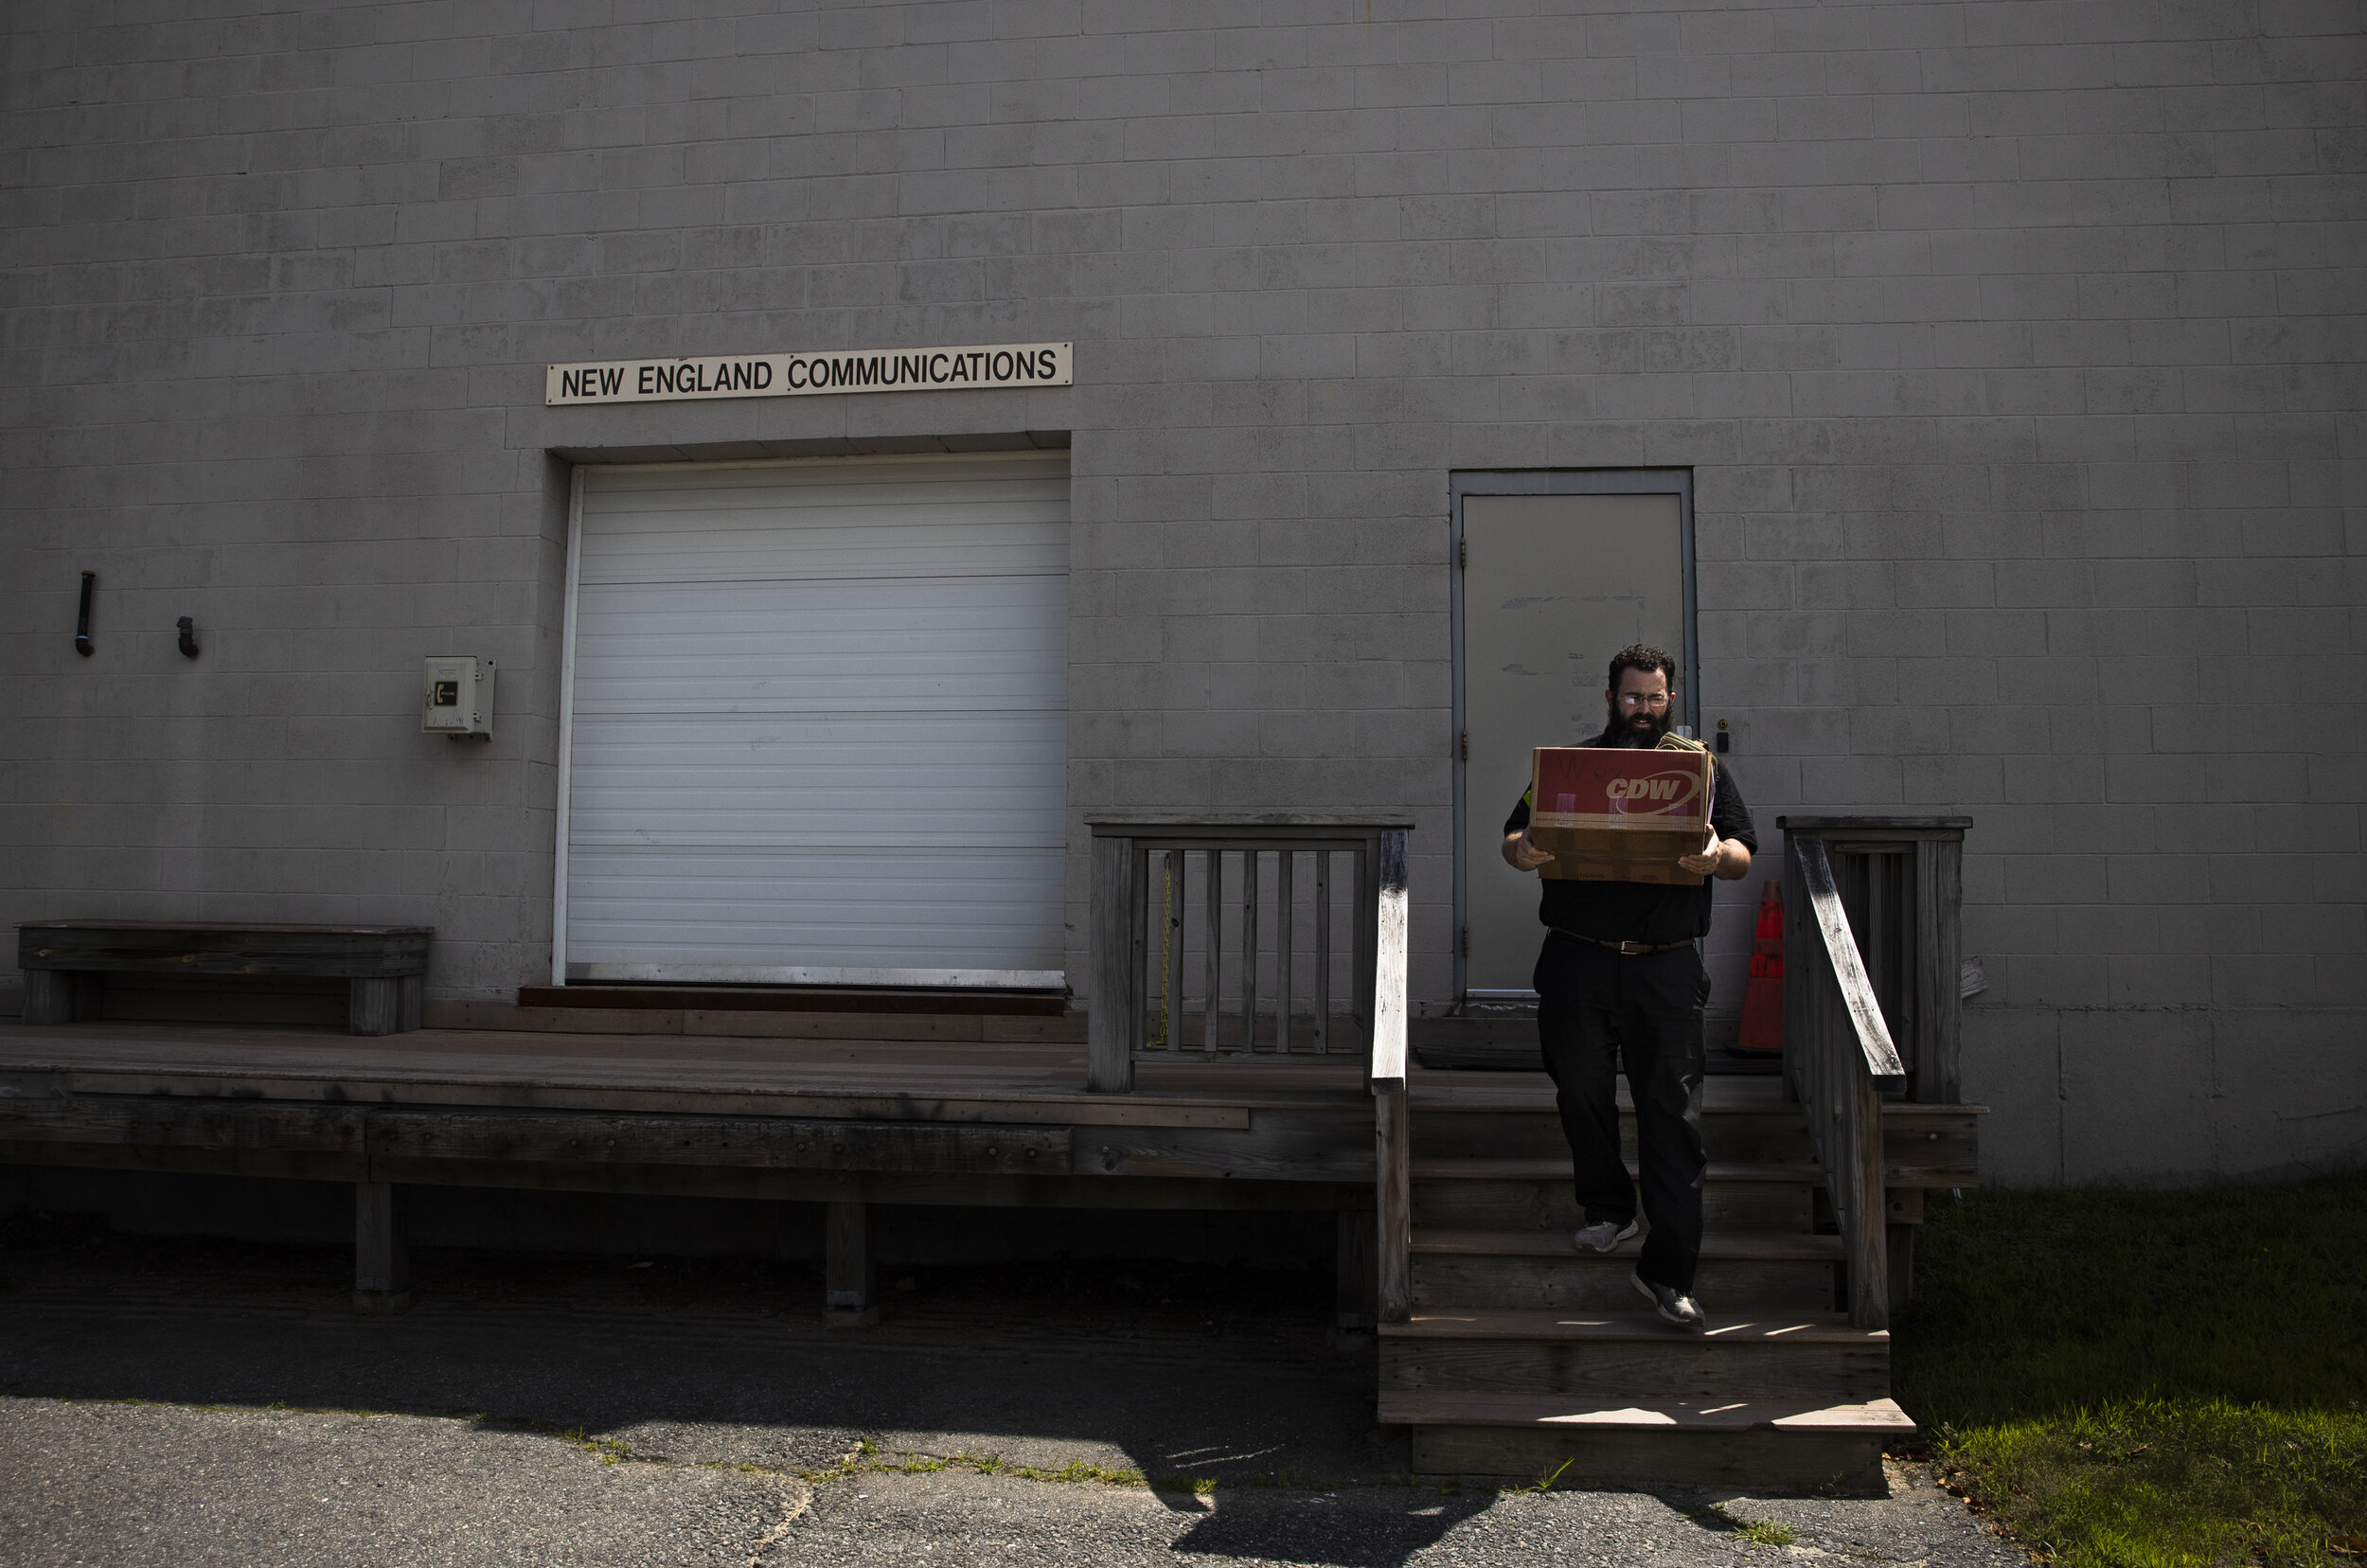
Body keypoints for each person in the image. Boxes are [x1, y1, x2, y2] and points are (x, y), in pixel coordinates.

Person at [1500, 644, 1757, 1329]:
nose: (1643, 709)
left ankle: (1669, 1274)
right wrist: (1520, 851)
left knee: (1672, 1117)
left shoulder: (1699, 770)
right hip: (1577, 961)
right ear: (1610, 698)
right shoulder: (1574, 769)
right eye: (1632, 697)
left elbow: (1740, 851)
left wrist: (1715, 856)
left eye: (1655, 697)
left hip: (1665, 967)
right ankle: (1610, 1209)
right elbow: (1514, 833)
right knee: (1581, 1093)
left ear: (1670, 699)